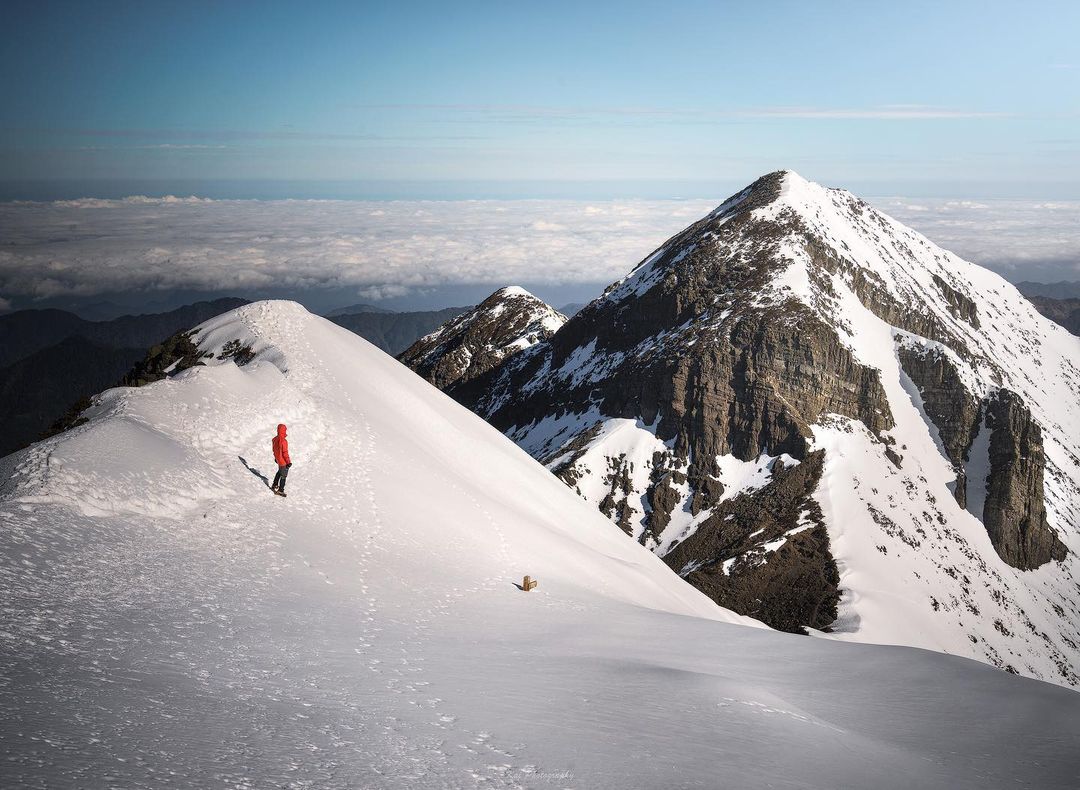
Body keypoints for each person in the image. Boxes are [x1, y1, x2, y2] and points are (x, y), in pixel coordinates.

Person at [271, 423, 292, 497]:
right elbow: (285, 453)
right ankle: (281, 490)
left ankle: (274, 484)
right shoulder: (284, 441)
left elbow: (274, 450)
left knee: (279, 472)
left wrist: (276, 458)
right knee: (283, 476)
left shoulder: (274, 439)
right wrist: (288, 462)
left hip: (278, 459)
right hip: (283, 461)